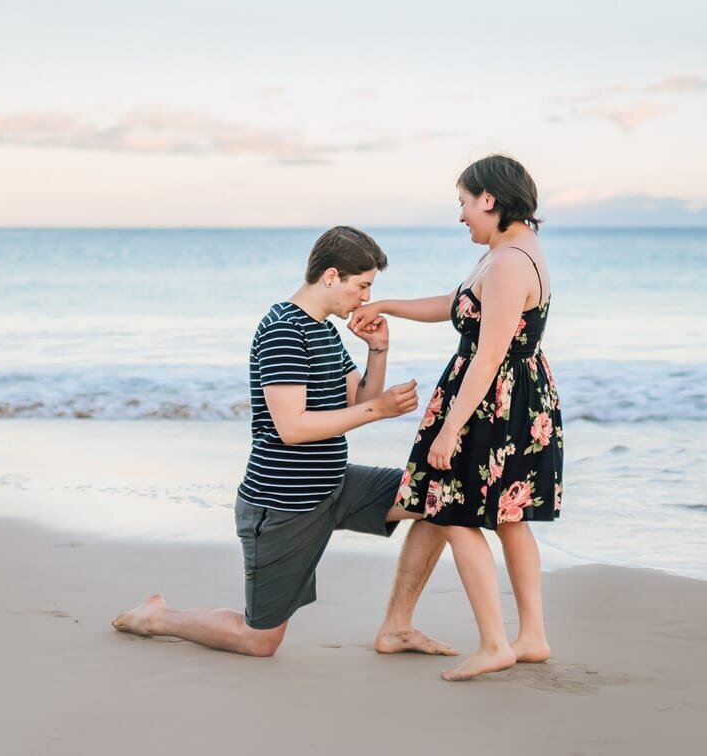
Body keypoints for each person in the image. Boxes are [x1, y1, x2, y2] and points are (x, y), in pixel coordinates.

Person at [112, 226, 457, 659]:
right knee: (260, 640)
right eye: (363, 286)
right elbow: (291, 428)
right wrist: (380, 410)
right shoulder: (283, 330)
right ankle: (157, 617)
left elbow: (360, 401)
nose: (366, 299)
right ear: (331, 276)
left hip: (334, 484)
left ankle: (397, 628)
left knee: (442, 496)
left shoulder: (325, 331)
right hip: (281, 506)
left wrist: (378, 351)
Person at [349, 155, 562, 681]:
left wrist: (448, 430)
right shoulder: (505, 252)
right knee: (510, 517)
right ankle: (531, 635)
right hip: (511, 397)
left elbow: (489, 355)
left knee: (453, 512)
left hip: (489, 400)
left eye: (464, 202)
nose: (461, 214)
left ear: (489, 198)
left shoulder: (510, 261)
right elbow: (456, 304)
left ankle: (495, 643)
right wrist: (391, 306)